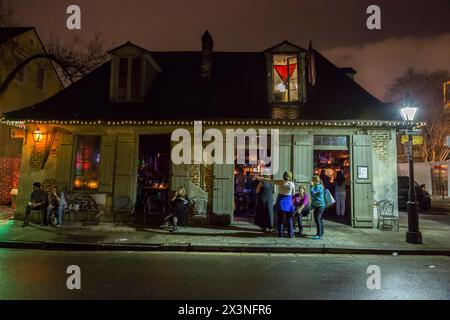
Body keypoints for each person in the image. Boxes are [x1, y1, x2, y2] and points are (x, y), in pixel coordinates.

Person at [257, 171, 295, 238]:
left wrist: (260, 178)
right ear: (290, 176)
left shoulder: (280, 182)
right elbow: (293, 194)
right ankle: (291, 235)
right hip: (288, 201)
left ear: (284, 176)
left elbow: (269, 180)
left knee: (280, 219)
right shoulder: (292, 184)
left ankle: (281, 234)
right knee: (289, 219)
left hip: (281, 200)